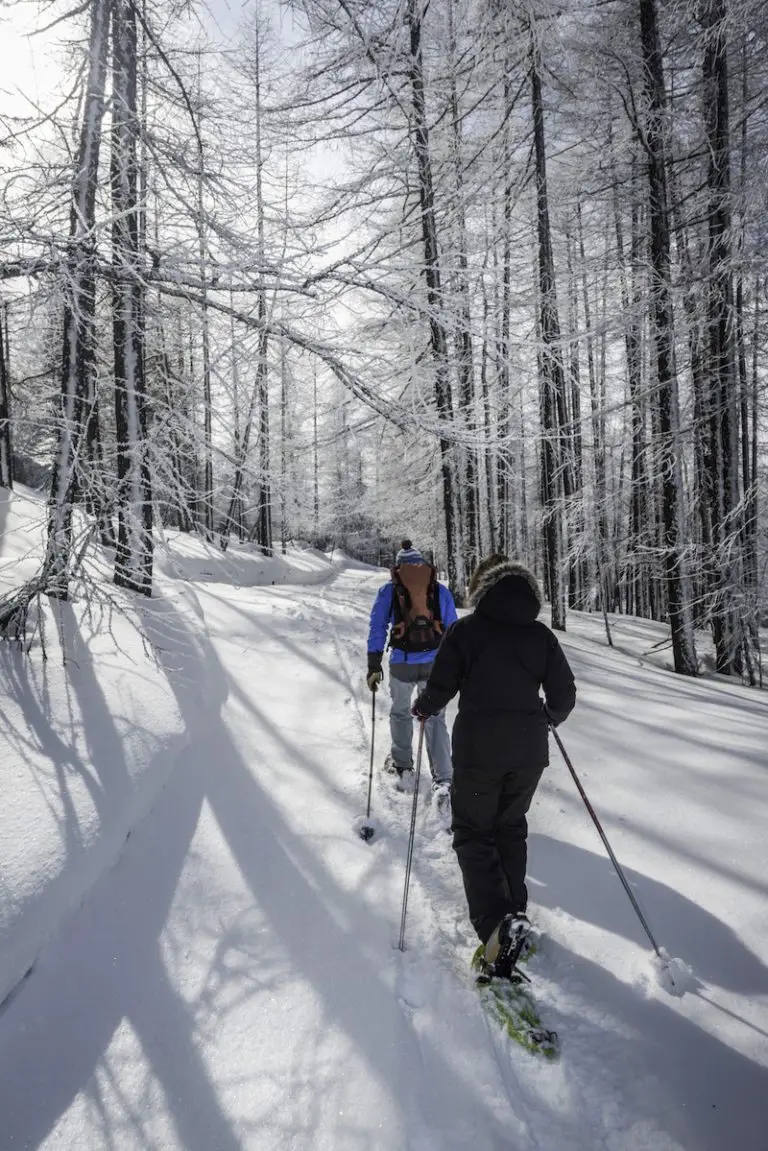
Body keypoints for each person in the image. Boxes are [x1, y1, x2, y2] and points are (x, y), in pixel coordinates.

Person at [412, 554, 576, 976]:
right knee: (509, 828)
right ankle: (514, 915)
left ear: (482, 590)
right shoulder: (541, 637)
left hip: (479, 753)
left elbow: (441, 686)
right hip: (526, 755)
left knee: (472, 834)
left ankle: (496, 926)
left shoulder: (467, 631)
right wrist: (546, 718)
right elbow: (564, 696)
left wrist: (423, 707)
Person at [366, 540, 458, 803]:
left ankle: (403, 764)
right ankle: (444, 778)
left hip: (402, 663)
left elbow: (377, 627)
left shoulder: (388, 591)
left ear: (398, 567)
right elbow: (454, 630)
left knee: (400, 712)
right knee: (435, 717)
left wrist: (373, 665)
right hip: (435, 664)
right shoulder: (439, 590)